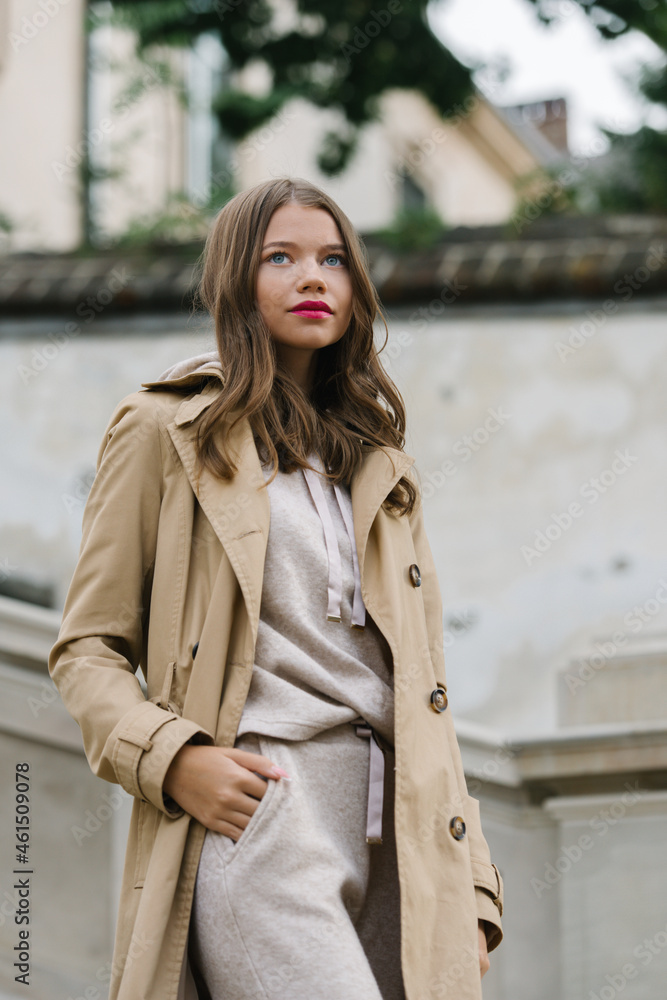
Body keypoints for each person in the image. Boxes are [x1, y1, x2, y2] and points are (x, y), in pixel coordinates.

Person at [49, 176, 503, 1000]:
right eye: (280, 257)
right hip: (265, 814)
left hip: (401, 843)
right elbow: (87, 648)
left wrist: (469, 882)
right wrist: (174, 759)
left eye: (333, 259)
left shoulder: (379, 471)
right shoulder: (166, 432)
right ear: (234, 279)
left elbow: (424, 694)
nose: (312, 277)